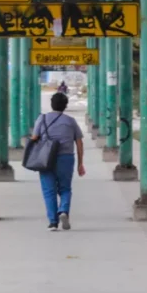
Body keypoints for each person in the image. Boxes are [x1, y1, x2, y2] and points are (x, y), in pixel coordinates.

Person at [30, 92, 85, 231]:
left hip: (46, 158)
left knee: (49, 190)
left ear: (51, 104)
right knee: (65, 188)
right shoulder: (70, 121)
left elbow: (34, 137)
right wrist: (80, 163)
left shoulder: (42, 119)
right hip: (66, 158)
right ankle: (64, 211)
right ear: (65, 106)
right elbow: (79, 142)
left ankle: (53, 222)